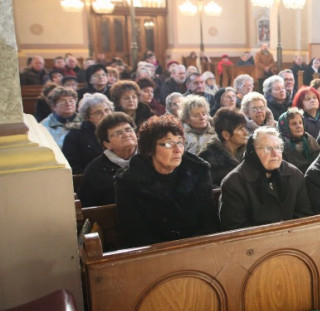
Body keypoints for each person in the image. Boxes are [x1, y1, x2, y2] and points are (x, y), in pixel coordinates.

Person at [114, 115, 219, 249]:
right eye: (169, 144)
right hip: (152, 253)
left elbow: (208, 220)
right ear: (150, 149)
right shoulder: (128, 180)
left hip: (197, 248)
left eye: (180, 143)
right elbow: (134, 232)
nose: (177, 150)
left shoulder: (198, 170)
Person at [219, 127, 312, 230]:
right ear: (252, 152)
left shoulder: (294, 174)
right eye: (268, 149)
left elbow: (304, 216)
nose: (275, 154)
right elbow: (236, 229)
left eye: (278, 147)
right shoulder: (234, 183)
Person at [77, 113, 136, 208]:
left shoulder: (150, 158)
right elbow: (87, 206)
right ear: (107, 144)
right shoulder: (95, 170)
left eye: (128, 129)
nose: (126, 134)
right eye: (118, 133)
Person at [62, 92, 113, 173]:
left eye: (107, 110)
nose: (105, 115)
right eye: (98, 112)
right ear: (87, 117)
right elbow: (73, 167)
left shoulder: (118, 129)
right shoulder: (75, 136)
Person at [199, 107, 249, 186]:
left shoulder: (251, 151)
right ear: (226, 135)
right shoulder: (207, 158)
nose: (246, 133)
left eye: (244, 127)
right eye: (240, 129)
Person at [280, 107, 320, 172]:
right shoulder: (281, 145)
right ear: (285, 126)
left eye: (300, 122)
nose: (299, 126)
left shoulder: (309, 139)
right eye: (294, 123)